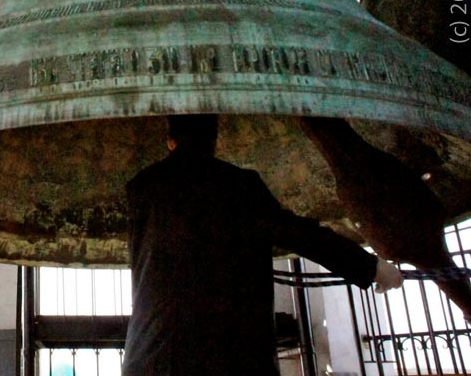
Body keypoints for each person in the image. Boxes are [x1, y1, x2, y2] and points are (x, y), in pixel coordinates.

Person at [121, 114, 402, 376]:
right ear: (214, 140)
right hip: (231, 358)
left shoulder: (141, 189)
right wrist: (370, 267)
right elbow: (298, 234)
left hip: (150, 358)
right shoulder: (240, 185)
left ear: (171, 141)